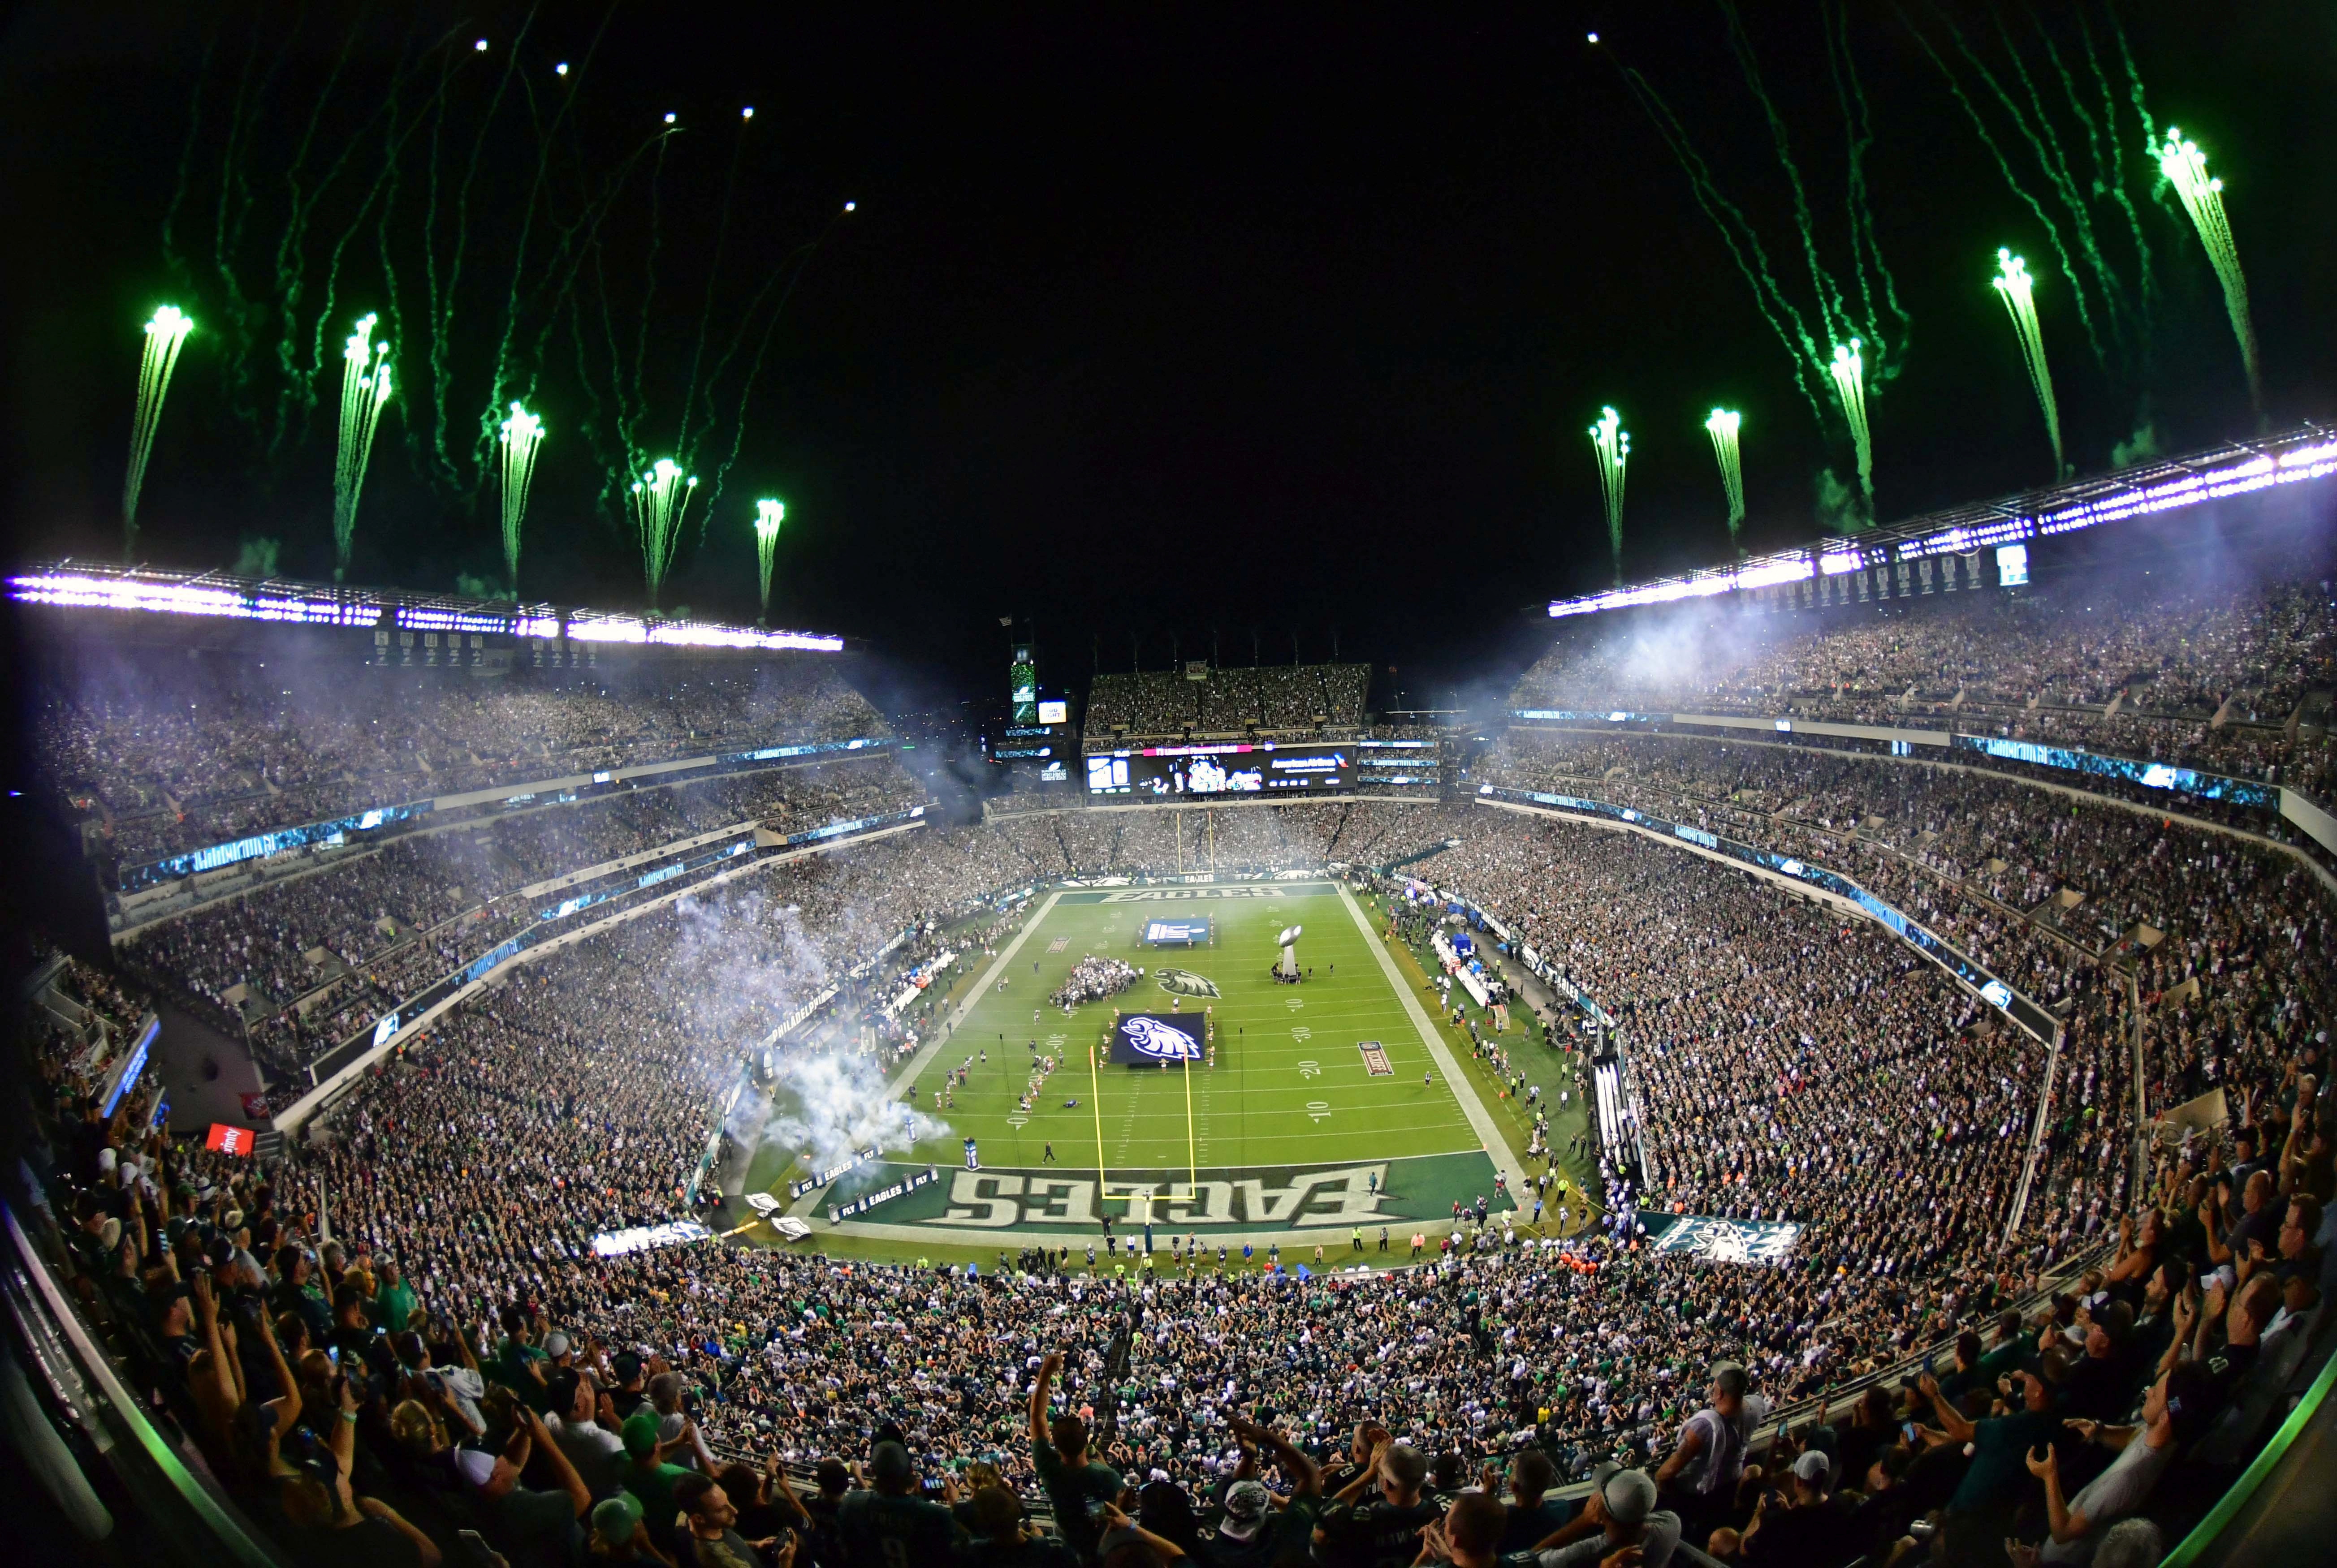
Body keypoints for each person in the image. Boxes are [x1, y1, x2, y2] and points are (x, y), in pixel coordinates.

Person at [2029, 1361, 2210, 1563]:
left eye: (2156, 1395)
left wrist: (2049, 1476)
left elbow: (2063, 1533)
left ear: (2166, 1417)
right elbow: (2135, 1437)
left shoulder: (2127, 1477)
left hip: (2060, 1559)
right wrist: (2099, 1430)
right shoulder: (2166, 1435)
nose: (2149, 1392)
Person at [1028, 1352, 1123, 1563]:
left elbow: (1037, 1417)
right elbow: (1122, 1509)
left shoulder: (1048, 1466)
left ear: (1056, 1445)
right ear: (1086, 1443)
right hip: (1102, 1548)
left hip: (1068, 1548)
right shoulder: (1106, 1475)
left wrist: (1046, 1373)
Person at [1653, 1361, 1762, 1540]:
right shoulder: (1756, 1406)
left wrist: (1676, 1499)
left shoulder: (1704, 1426)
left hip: (1698, 1498)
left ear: (1719, 1393)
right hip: (1731, 1485)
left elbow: (1665, 1475)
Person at [1312, 1436, 1439, 1568]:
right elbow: (1411, 1473)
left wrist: (1368, 1473)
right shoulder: (1440, 1513)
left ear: (1386, 1484)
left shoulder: (1363, 1519)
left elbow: (1328, 1513)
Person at [1521, 1466, 1678, 1567]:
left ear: (1602, 1512)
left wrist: (1583, 1521)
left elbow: (1529, 1560)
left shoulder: (1582, 1553)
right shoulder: (1671, 1523)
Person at [1737, 1450, 1854, 1566]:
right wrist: (1790, 1511)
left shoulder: (1779, 1521)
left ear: (1799, 1482)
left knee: (1724, 1536)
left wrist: (1757, 1515)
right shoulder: (1843, 1504)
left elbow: (1745, 1551)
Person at [675, 1470, 797, 1568]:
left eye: (727, 1501)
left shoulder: (686, 1517)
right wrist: (786, 1563)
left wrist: (755, 1545)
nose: (734, 1511)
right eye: (721, 1509)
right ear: (699, 1519)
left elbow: (724, 1542)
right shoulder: (725, 1563)